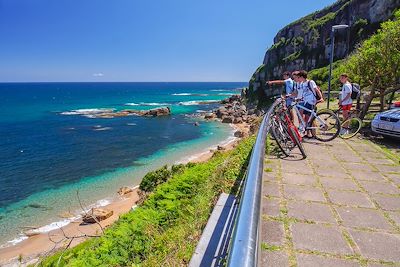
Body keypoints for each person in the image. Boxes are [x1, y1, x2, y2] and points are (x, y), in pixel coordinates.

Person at [295, 70, 322, 137]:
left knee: (309, 117)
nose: (298, 79)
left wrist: (321, 98)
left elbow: (316, 90)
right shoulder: (302, 84)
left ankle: (312, 133)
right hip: (306, 101)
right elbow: (303, 93)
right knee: (307, 118)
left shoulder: (310, 82)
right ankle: (308, 133)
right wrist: (299, 99)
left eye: (299, 77)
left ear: (302, 77)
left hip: (312, 101)